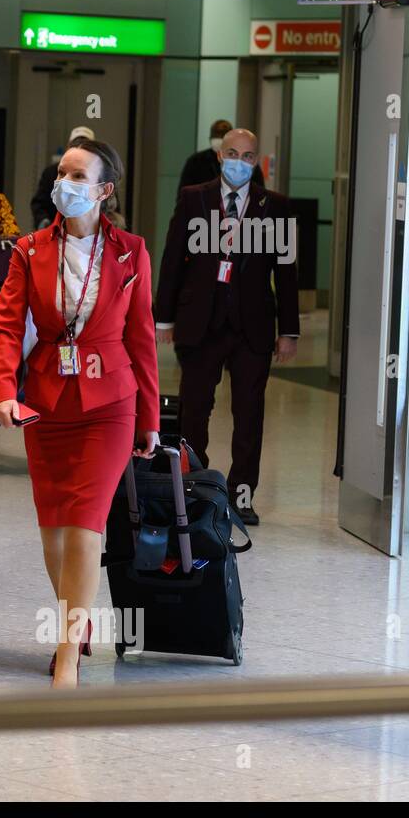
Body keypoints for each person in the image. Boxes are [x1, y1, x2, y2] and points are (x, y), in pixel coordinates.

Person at [0, 138, 160, 689]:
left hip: (109, 404)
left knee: (85, 526)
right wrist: (2, 391)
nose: (66, 183)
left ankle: (66, 652)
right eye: (62, 172)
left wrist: (150, 417)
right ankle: (73, 625)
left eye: (79, 176)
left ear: (104, 190)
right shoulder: (29, 248)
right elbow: (7, 326)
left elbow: (142, 337)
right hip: (47, 400)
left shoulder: (130, 251)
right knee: (54, 532)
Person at [154, 128, 299, 526]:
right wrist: (163, 316)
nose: (239, 161)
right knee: (195, 411)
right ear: (220, 157)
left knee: (249, 415)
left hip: (252, 326)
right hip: (201, 322)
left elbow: (286, 272)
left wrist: (289, 331)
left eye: (248, 156)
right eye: (232, 153)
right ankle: (192, 489)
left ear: (256, 162)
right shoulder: (194, 198)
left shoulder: (277, 206)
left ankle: (241, 496)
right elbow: (172, 258)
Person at [30, 125, 94, 229]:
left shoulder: (100, 174)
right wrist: (44, 221)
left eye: (79, 176)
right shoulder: (51, 172)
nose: (79, 149)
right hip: (55, 229)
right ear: (68, 147)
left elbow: (111, 208)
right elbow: (39, 204)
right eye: (62, 173)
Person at [177, 119, 264, 194]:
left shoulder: (247, 165)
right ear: (219, 156)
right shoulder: (196, 161)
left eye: (222, 136)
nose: (219, 140)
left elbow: (260, 194)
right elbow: (184, 194)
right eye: (216, 136)